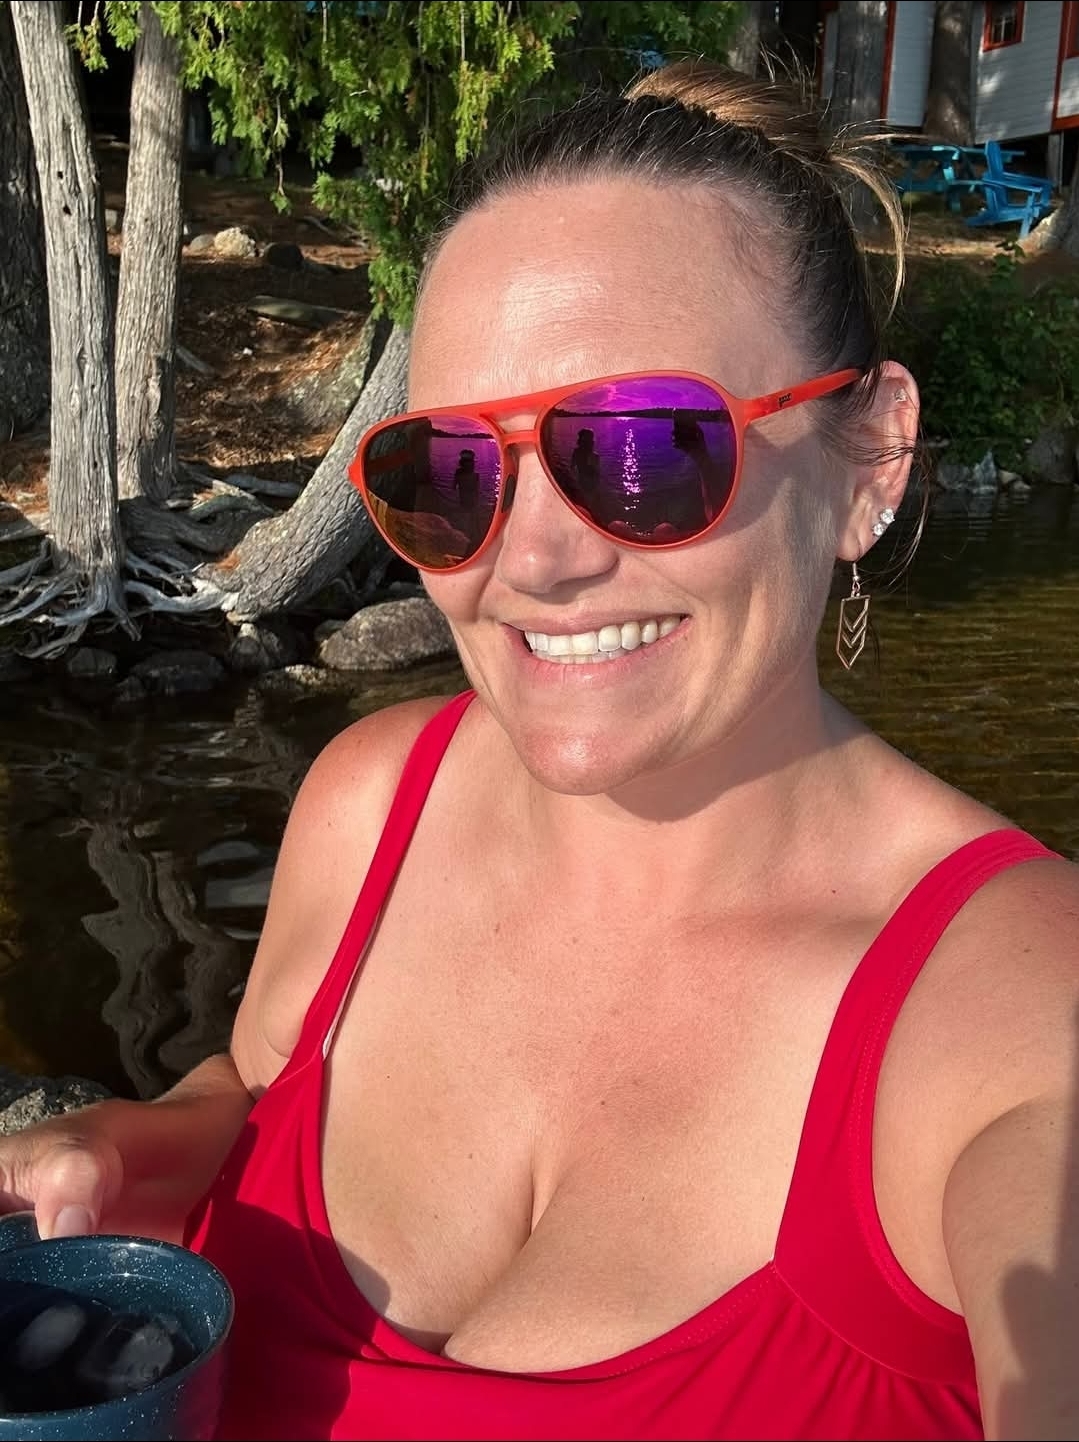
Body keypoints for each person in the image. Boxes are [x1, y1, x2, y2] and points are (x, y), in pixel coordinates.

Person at [2, 60, 1077, 1442]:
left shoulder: (1016, 1013)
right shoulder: (369, 803)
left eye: (644, 450)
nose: (534, 559)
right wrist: (138, 1145)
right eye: (450, 472)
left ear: (871, 455)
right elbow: (256, 1088)